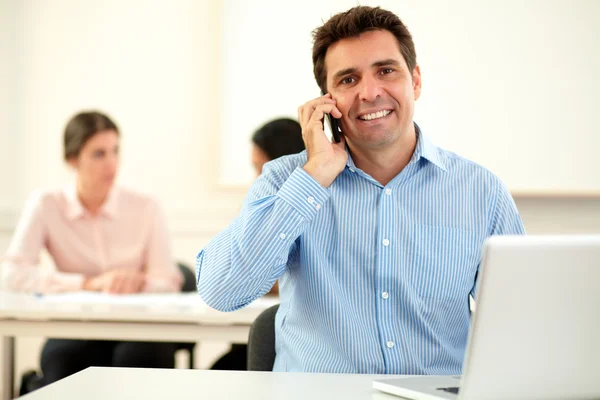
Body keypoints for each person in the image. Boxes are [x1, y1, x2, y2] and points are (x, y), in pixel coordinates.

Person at [196, 6, 525, 375]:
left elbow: (521, 323)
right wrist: (314, 175)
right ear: (326, 101)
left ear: (414, 81)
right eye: (348, 80)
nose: (369, 93)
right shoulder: (285, 180)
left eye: (386, 71)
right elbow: (221, 292)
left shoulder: (480, 191)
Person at [1, 111, 183, 386]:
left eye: (115, 151)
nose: (111, 164)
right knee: (64, 360)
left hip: (138, 326)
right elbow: (11, 274)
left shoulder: (146, 206)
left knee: (142, 360)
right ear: (73, 160)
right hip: (76, 325)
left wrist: (139, 281)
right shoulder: (47, 204)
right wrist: (88, 283)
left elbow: (169, 280)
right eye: (99, 154)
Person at [211, 117, 305, 371]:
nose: (257, 179)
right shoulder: (258, 206)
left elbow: (266, 278)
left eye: (259, 168)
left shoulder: (310, 206)